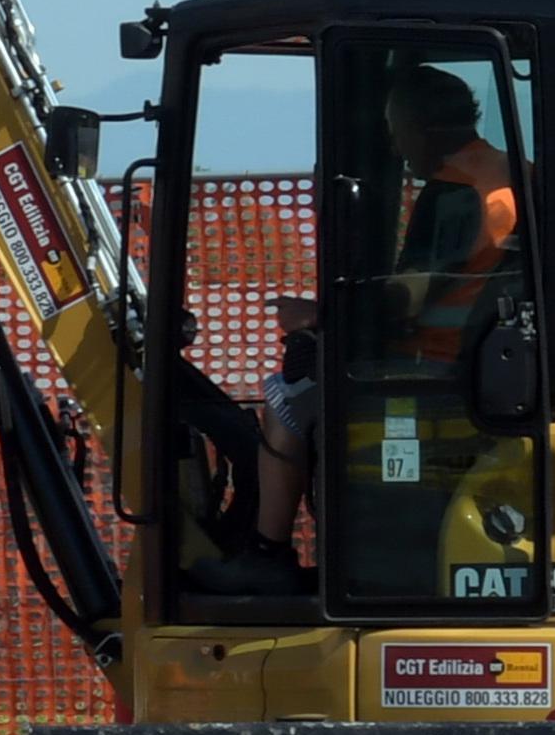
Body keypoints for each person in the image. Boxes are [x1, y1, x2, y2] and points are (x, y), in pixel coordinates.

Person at [195, 66, 518, 594]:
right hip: (479, 359)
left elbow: (410, 294)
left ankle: (267, 553)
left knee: (286, 402)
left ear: (424, 126)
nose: (393, 142)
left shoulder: (453, 194)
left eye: (395, 126)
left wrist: (318, 315)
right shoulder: (509, 174)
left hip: (434, 369)